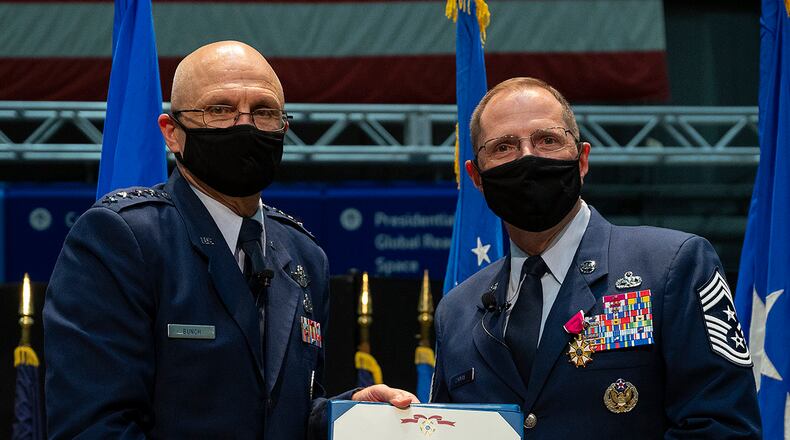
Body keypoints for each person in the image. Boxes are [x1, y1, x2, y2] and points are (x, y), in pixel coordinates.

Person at [43, 41, 416, 439]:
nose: (245, 126)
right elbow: (93, 427)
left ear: (283, 127)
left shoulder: (305, 255)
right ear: (172, 133)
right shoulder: (122, 239)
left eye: (264, 112)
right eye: (219, 110)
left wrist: (347, 417)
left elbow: (279, 411)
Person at [430, 77, 761, 438]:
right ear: (476, 177)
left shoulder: (673, 266)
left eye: (547, 140)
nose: (527, 157)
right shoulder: (457, 312)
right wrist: (376, 416)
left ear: (582, 159)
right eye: (504, 147)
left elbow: (723, 428)